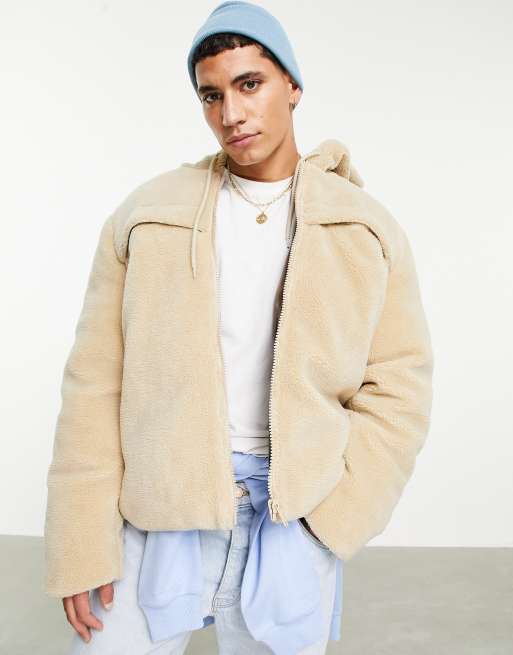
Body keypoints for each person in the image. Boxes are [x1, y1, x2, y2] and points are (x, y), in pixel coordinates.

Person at [43, 2, 434, 654]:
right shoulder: (150, 215)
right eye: (212, 94)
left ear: (292, 86)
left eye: (250, 84)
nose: (231, 112)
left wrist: (334, 518)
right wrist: (81, 541)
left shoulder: (362, 226)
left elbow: (400, 385)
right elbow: (94, 386)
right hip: (161, 508)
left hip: (291, 515)